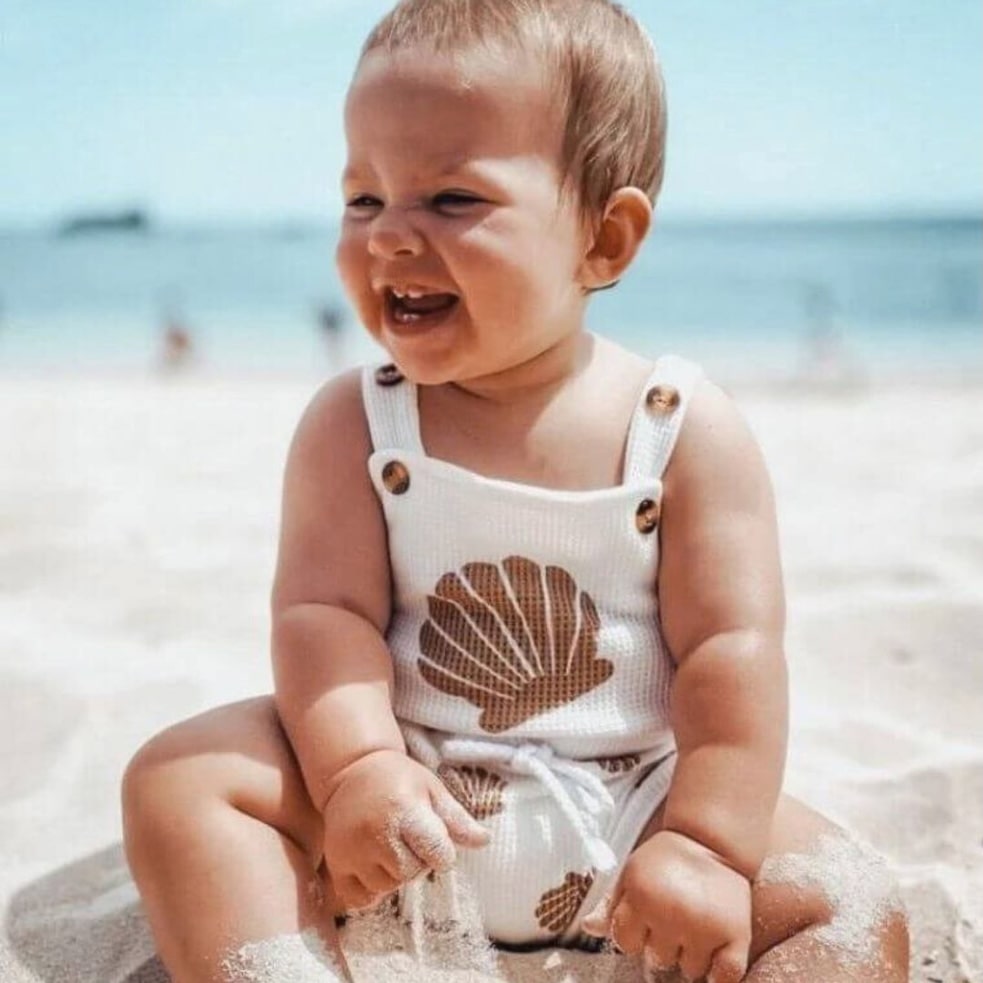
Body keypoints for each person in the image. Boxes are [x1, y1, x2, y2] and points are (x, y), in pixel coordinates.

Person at [121, 2, 910, 981]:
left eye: (450, 200)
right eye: (362, 198)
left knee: (851, 897)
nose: (387, 237)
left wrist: (705, 844)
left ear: (604, 239)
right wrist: (359, 768)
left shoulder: (678, 430)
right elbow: (322, 613)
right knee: (182, 778)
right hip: (406, 798)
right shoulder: (355, 422)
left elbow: (730, 649)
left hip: (630, 811)